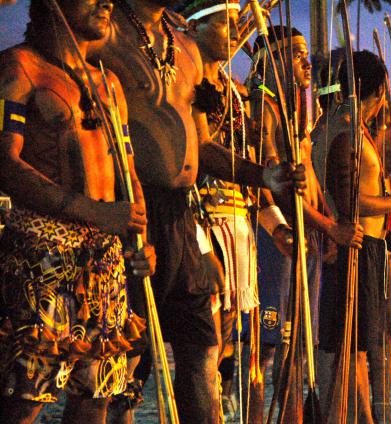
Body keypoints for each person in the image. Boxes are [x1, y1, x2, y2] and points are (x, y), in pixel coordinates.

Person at [90, 1, 305, 422]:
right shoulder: (104, 34)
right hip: (128, 211)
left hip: (182, 216)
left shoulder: (184, 50)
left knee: (202, 346)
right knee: (121, 353)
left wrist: (264, 177)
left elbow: (201, 147)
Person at [0, 1, 155, 422]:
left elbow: (127, 168)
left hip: (105, 258)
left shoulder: (109, 84)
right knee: (25, 396)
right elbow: (5, 165)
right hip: (42, 253)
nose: (106, 3)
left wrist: (139, 233)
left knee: (97, 392)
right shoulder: (19, 68)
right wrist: (88, 210)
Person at [245, 24, 363, 423]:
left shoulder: (294, 108)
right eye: (296, 53)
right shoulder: (262, 106)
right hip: (277, 237)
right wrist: (327, 227)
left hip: (306, 234)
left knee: (300, 343)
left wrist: (323, 224)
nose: (306, 61)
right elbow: (275, 182)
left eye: (305, 52)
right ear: (271, 61)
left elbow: (307, 178)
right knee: (265, 344)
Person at [323, 50, 391, 424]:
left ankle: (365, 415)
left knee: (361, 345)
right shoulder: (344, 132)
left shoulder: (352, 129)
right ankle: (361, 417)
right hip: (354, 245)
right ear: (377, 91)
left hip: (370, 245)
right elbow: (349, 200)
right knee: (353, 347)